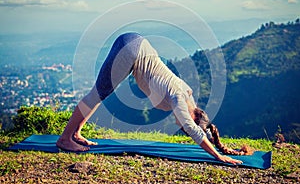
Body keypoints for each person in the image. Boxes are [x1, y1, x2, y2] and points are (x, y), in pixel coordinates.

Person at [56, 33, 242, 165]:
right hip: (132, 52)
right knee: (97, 94)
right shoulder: (179, 99)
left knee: (101, 94)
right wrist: (218, 156)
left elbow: (193, 121)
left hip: (137, 43)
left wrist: (214, 138)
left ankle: (76, 133)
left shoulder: (187, 93)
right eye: (183, 126)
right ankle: (65, 138)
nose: (180, 126)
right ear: (193, 117)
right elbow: (193, 129)